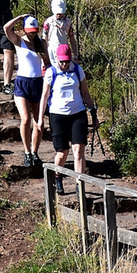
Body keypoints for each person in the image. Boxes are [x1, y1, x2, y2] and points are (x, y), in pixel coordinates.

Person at [37, 44, 95, 192]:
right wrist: (40, 118)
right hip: (58, 115)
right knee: (63, 152)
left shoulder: (77, 70)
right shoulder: (51, 72)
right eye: (62, 61)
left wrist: (93, 113)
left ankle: (79, 184)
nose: (64, 64)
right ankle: (58, 176)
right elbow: (44, 96)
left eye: (66, 61)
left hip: (78, 113)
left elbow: (85, 93)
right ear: (57, 58)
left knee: (79, 149)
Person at [5, 13, 47, 167]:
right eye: (30, 31)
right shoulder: (19, 41)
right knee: (25, 118)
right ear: (25, 30)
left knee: (39, 122)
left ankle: (35, 152)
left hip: (37, 83)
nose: (32, 34)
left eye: (34, 31)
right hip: (22, 83)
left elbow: (47, 63)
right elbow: (6, 28)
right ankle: (27, 151)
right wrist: (20, 17)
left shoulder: (41, 43)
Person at [42, 0, 75, 70]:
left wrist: (75, 55)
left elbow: (72, 38)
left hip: (64, 51)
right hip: (52, 50)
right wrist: (44, 57)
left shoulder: (68, 22)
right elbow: (44, 39)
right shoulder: (48, 22)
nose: (59, 14)